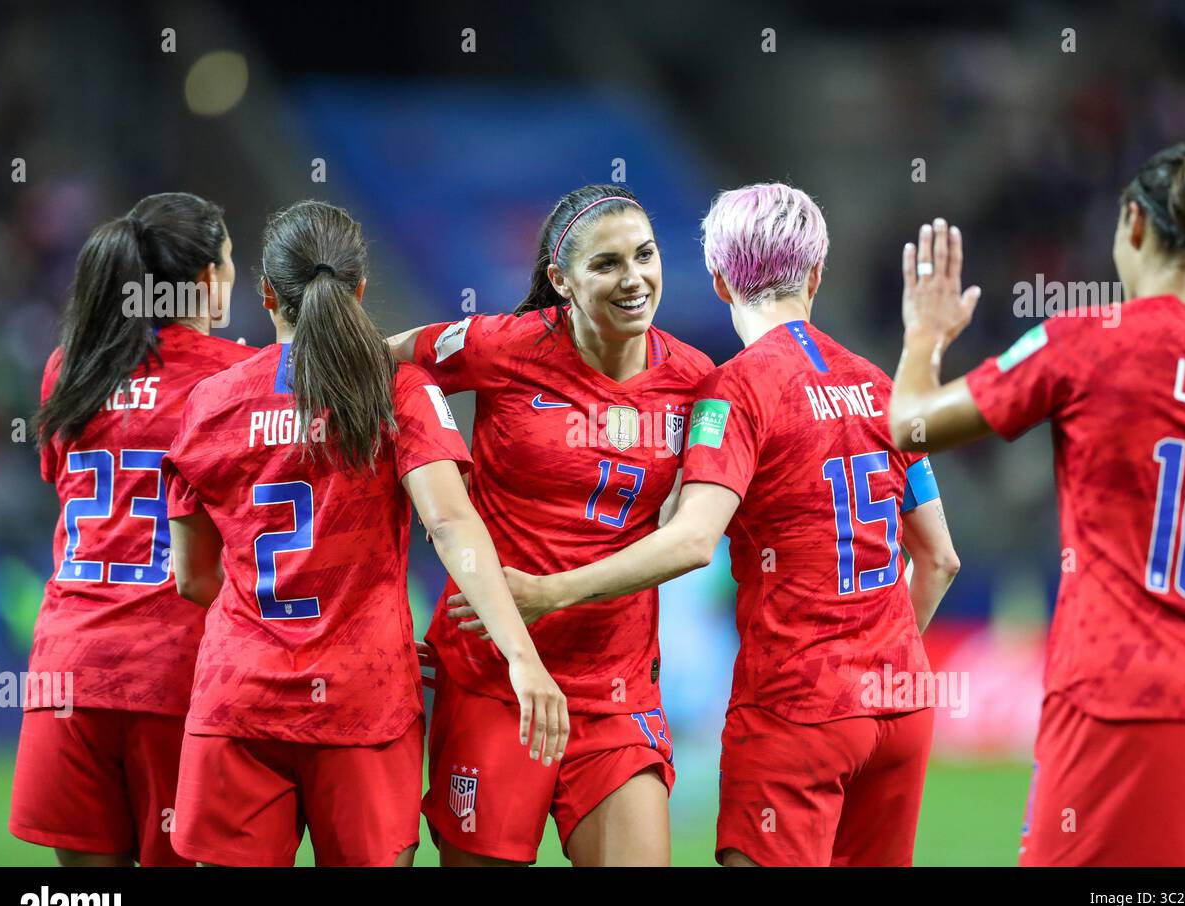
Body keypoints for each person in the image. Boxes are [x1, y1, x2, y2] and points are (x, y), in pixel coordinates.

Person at [453, 183, 962, 866]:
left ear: (719, 280)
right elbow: (940, 560)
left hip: (799, 705)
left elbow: (694, 539)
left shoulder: (733, 389)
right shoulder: (880, 386)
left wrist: (549, 591)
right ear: (817, 273)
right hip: (901, 706)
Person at [888, 142, 1185, 865]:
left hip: (1127, 701)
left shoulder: (1088, 342)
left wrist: (924, 338)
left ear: (1133, 223)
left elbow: (910, 425)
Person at [163, 200, 564, 867]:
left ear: (268, 294)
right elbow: (448, 522)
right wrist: (521, 657)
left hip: (239, 700)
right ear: (360, 288)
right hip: (363, 699)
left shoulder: (210, 401)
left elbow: (192, 578)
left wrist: (275, 635)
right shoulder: (396, 391)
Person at [388, 184, 715, 866]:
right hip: (493, 676)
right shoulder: (499, 346)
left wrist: (551, 592)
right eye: (607, 264)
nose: (634, 279)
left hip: (616, 687)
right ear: (560, 280)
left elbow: (694, 535)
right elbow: (374, 361)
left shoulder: (695, 380)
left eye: (645, 255)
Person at [10, 192, 254, 866]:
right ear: (207, 277)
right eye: (231, 258)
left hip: (67, 671)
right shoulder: (235, 376)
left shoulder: (70, 367)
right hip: (177, 671)